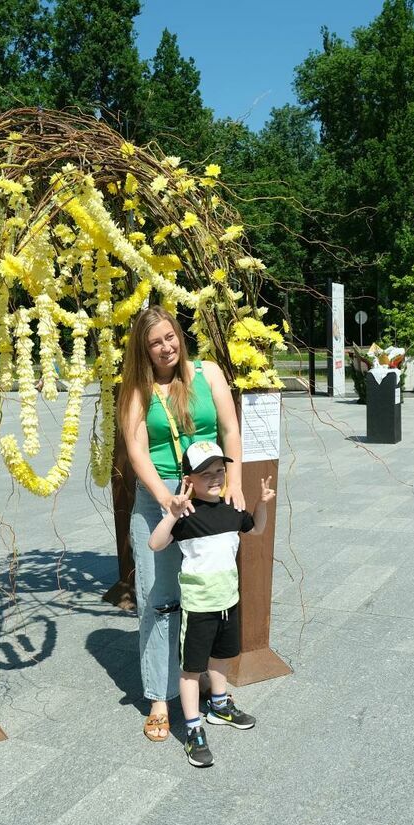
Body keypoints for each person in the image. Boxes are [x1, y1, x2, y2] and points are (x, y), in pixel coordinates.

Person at [119, 307, 246, 743]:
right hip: (164, 495)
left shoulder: (207, 374)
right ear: (144, 349)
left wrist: (237, 485)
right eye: (155, 342)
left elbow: (230, 429)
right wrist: (165, 500)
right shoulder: (138, 389)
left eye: (170, 337)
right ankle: (159, 697)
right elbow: (137, 451)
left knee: (210, 588)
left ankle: (214, 689)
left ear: (179, 336)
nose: (166, 347)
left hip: (210, 489)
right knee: (159, 597)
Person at [148, 440, 273, 767]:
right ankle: (193, 728)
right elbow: (156, 543)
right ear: (188, 480)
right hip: (199, 605)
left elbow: (257, 529)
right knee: (191, 669)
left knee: (221, 658)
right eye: (206, 474)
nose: (216, 478)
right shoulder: (186, 515)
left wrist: (261, 504)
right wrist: (171, 516)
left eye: (220, 471)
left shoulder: (232, 510)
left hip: (227, 601)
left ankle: (219, 705)